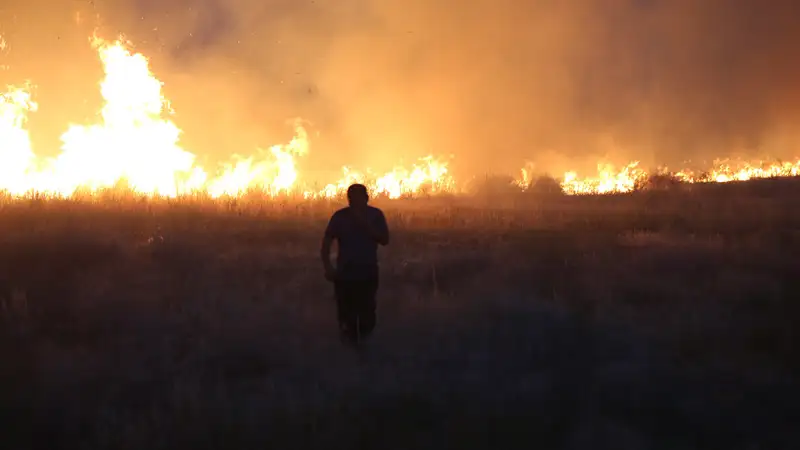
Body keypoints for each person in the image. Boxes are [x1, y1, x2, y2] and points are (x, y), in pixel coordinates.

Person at [320, 184, 390, 350]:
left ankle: (364, 348)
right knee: (346, 315)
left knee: (367, 314)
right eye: (352, 198)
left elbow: (385, 240)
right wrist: (328, 267)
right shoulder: (340, 217)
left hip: (367, 272)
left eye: (358, 197)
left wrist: (367, 226)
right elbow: (326, 243)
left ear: (366, 198)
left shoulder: (375, 215)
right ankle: (349, 351)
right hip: (345, 274)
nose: (355, 201)